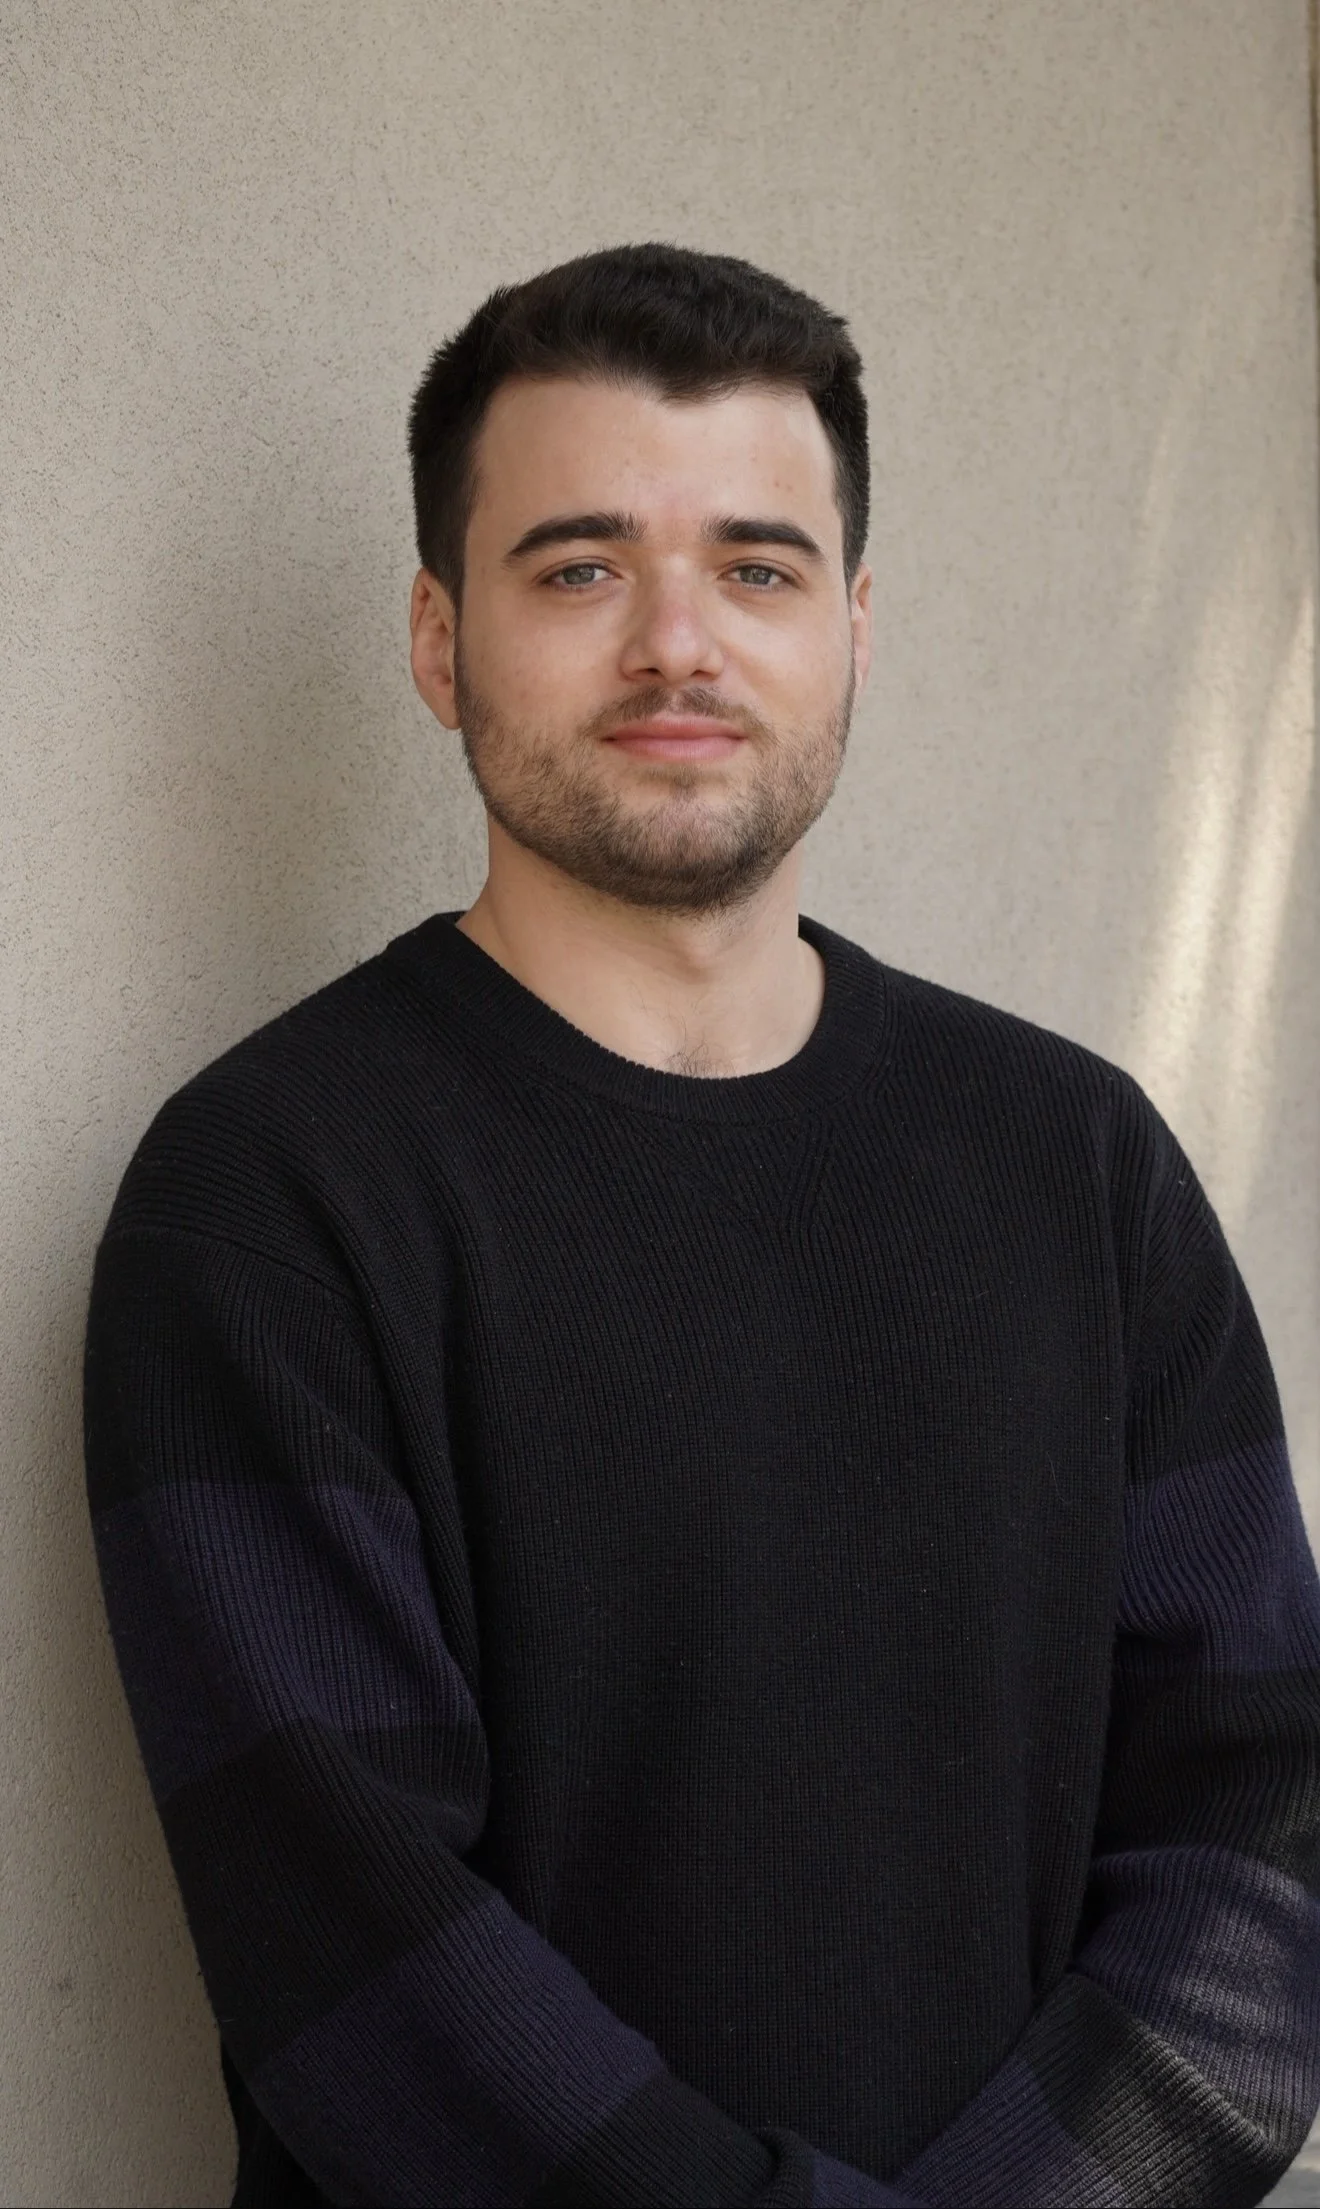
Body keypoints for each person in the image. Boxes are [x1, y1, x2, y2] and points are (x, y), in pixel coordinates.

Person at [84, 242, 1320, 2209]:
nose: (680, 644)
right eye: (578, 569)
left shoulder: (1077, 1167)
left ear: (853, 629)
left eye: (757, 567)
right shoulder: (265, 1202)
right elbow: (360, 1959)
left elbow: (1260, 1837)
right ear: (437, 640)